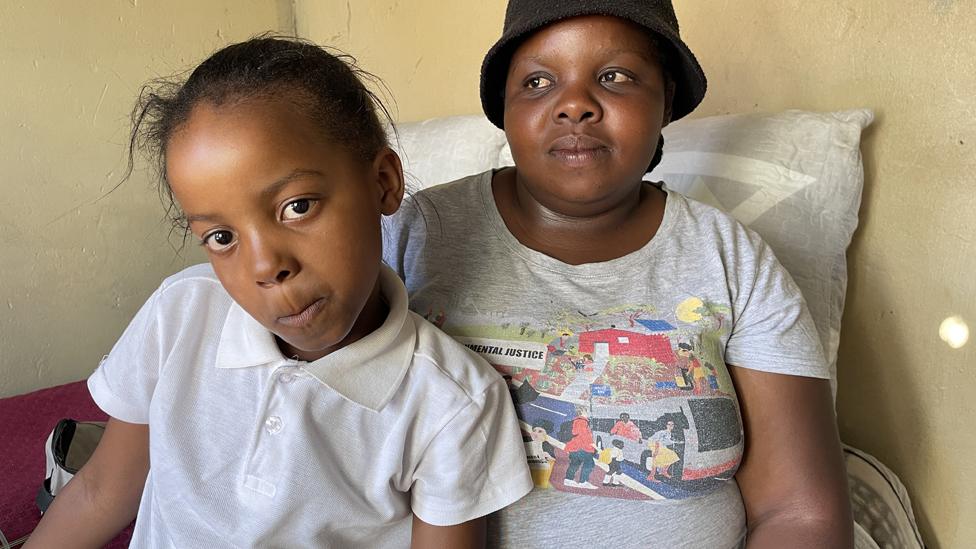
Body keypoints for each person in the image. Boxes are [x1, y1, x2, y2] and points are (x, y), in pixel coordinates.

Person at [26, 37, 532, 549]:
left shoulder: (453, 403)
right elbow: (100, 491)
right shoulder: (181, 313)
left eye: (298, 207)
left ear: (382, 183)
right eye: (222, 238)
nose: (267, 266)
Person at [384, 1, 853, 547]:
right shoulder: (412, 235)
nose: (574, 105)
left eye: (614, 76)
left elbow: (798, 514)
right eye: (537, 82)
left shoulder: (732, 260)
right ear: (504, 109)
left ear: (665, 101)